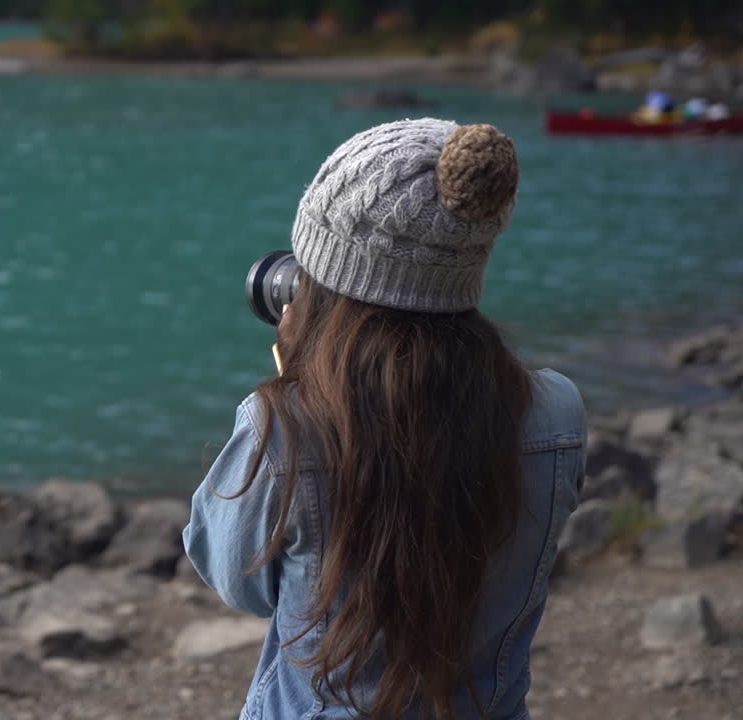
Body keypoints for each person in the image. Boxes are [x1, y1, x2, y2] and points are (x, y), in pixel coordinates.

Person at [183, 119, 586, 720]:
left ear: (329, 293)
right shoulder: (554, 411)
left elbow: (233, 577)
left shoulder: (288, 431)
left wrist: (296, 375)